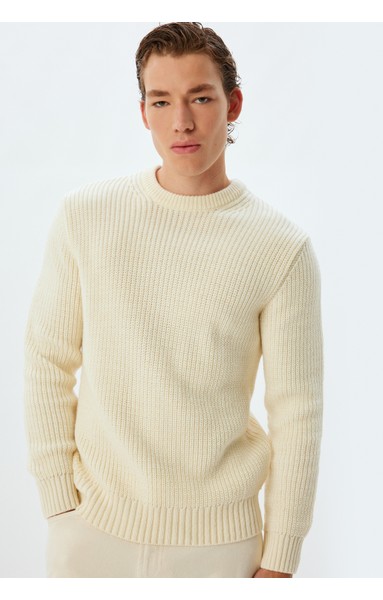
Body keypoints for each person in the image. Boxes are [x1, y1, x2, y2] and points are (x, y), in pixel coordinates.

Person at [23, 21, 324, 578]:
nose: (181, 121)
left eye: (200, 98)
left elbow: (297, 411)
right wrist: (58, 499)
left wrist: (282, 555)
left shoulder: (280, 248)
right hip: (91, 533)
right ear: (144, 112)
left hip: (220, 547)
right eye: (161, 101)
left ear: (234, 104)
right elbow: (48, 358)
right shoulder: (86, 217)